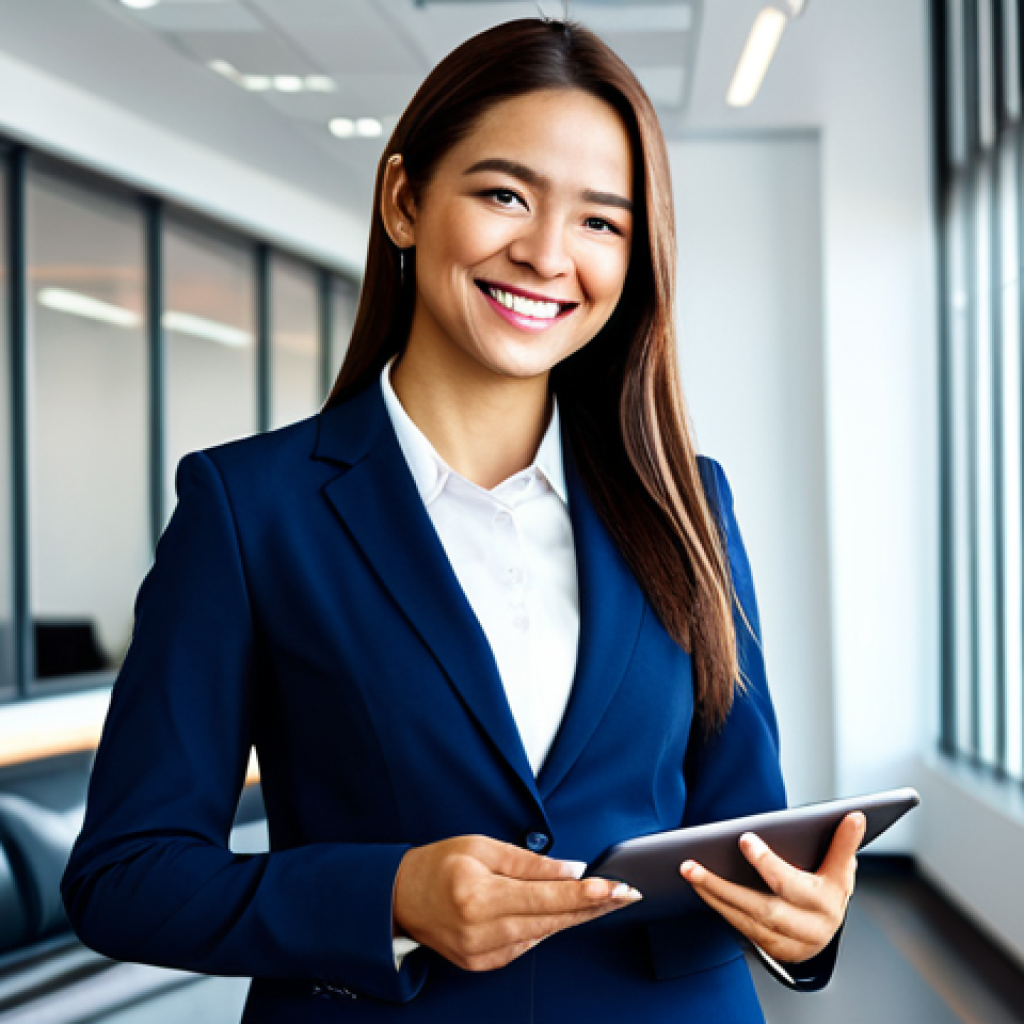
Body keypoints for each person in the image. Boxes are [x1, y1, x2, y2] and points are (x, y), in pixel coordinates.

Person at [61, 17, 864, 1023]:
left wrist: (805, 919)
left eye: (600, 223)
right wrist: (390, 895)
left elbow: (744, 826)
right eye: (503, 195)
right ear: (404, 200)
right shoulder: (248, 510)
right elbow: (127, 875)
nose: (544, 254)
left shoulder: (687, 500)